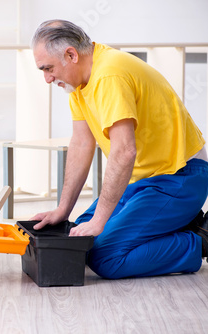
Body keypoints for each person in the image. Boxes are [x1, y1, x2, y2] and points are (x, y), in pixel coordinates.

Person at [30, 19, 208, 279]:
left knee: (106, 258)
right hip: (142, 180)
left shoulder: (109, 76)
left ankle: (200, 241)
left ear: (71, 55)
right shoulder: (80, 83)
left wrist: (100, 221)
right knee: (78, 241)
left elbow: (124, 151)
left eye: (48, 68)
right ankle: (171, 223)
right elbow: (81, 143)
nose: (47, 78)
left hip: (179, 176)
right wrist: (63, 210)